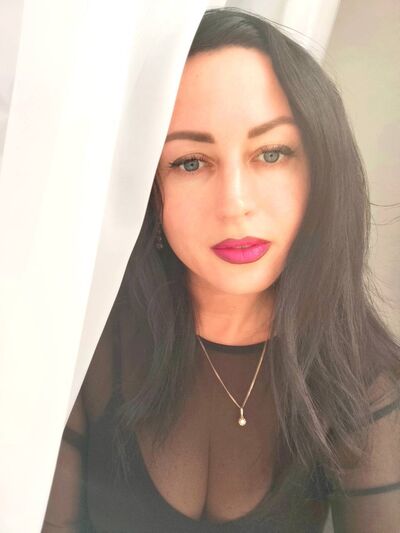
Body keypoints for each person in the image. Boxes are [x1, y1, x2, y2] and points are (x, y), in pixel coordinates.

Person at [42, 7, 400, 533]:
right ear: (148, 188)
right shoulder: (87, 345)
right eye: (190, 162)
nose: (234, 204)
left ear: (321, 170)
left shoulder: (361, 384)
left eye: (271, 154)